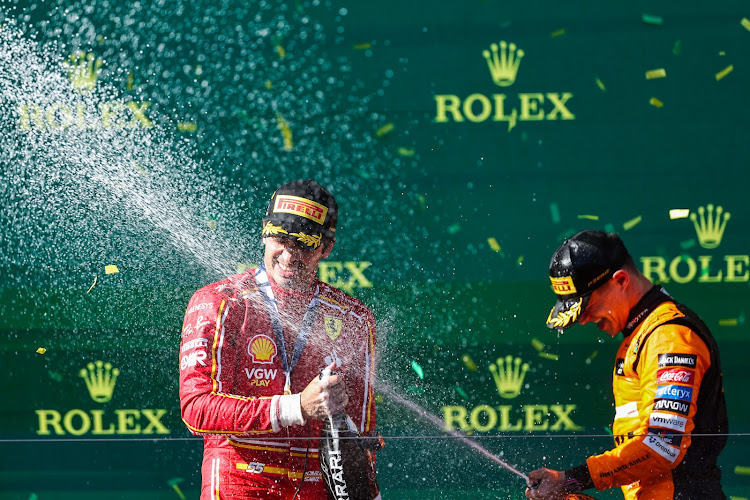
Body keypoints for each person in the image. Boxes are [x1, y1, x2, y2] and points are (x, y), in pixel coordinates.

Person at [179, 179, 379, 499]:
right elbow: (197, 410)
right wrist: (296, 407)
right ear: (263, 231)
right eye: (280, 238)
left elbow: (360, 435)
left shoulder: (354, 319)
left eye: (303, 243)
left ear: (326, 248)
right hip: (240, 480)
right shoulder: (220, 303)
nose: (288, 254)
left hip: (319, 486)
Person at [526, 230, 727, 500]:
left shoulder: (669, 338)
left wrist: (572, 479)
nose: (584, 320)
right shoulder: (641, 335)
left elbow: (662, 447)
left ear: (620, 280)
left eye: (587, 307)